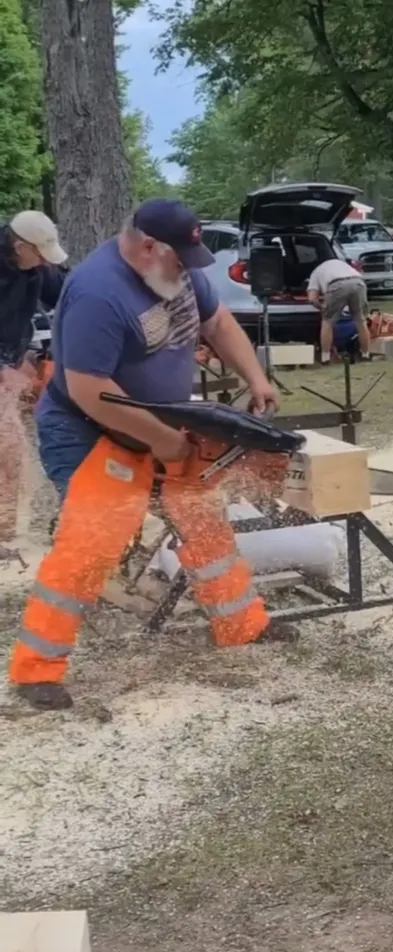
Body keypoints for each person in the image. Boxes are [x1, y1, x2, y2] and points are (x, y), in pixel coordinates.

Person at [8, 198, 298, 712]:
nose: (189, 268)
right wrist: (166, 444)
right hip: (90, 428)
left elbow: (218, 323)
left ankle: (241, 625)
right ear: (148, 248)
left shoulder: (178, 272)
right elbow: (90, 390)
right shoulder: (98, 293)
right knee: (91, 543)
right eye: (181, 258)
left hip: (165, 419)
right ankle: (37, 669)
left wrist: (256, 377)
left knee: (204, 521)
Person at [0, 211, 68, 550]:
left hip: (11, 356)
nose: (44, 261)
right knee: (8, 447)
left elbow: (69, 293)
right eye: (38, 254)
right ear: (19, 246)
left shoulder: (35, 266)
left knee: (10, 448)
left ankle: (5, 531)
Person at [306, 257, 370, 364]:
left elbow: (312, 298)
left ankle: (325, 357)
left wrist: (322, 308)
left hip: (337, 285)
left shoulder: (315, 273)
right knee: (361, 321)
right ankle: (365, 355)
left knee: (327, 322)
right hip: (359, 282)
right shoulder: (341, 264)